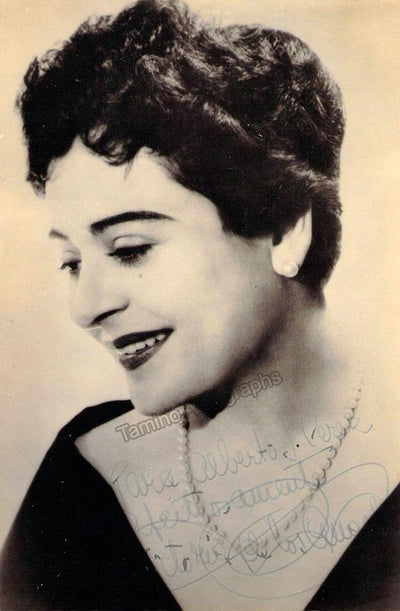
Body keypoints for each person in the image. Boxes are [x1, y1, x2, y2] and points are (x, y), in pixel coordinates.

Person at [1, 0, 399, 608]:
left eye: (130, 248)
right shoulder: (81, 480)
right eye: (72, 261)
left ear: (285, 230)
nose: (86, 307)